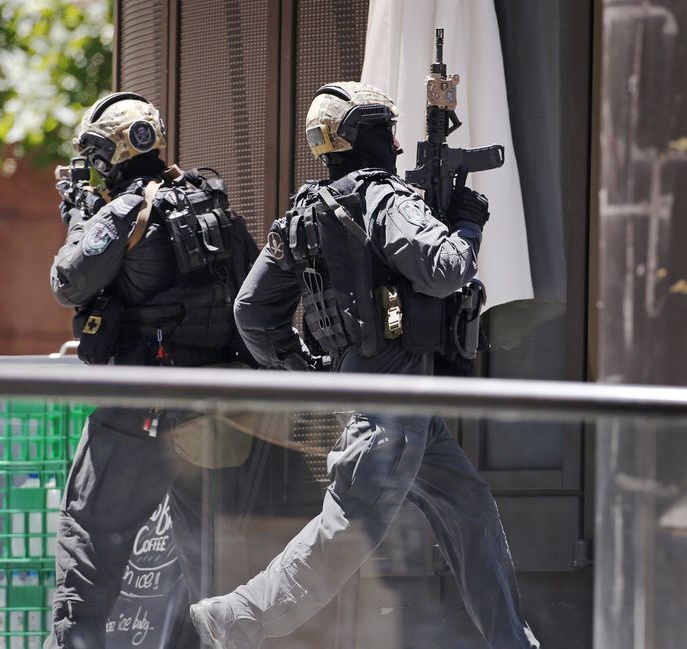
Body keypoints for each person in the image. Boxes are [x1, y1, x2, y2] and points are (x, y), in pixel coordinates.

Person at [189, 81, 540, 649]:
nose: (397, 143)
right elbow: (448, 268)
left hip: (397, 405)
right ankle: (231, 621)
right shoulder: (383, 199)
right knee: (344, 533)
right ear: (360, 137)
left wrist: (308, 374)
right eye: (385, 130)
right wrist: (470, 221)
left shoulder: (306, 212)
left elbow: (252, 313)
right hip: (394, 411)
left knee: (470, 512)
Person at [45, 91, 259, 648]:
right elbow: (252, 301)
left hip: (141, 415)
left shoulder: (124, 212)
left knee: (86, 549)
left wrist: (76, 218)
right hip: (212, 414)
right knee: (213, 573)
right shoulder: (211, 204)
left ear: (108, 153)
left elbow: (68, 280)